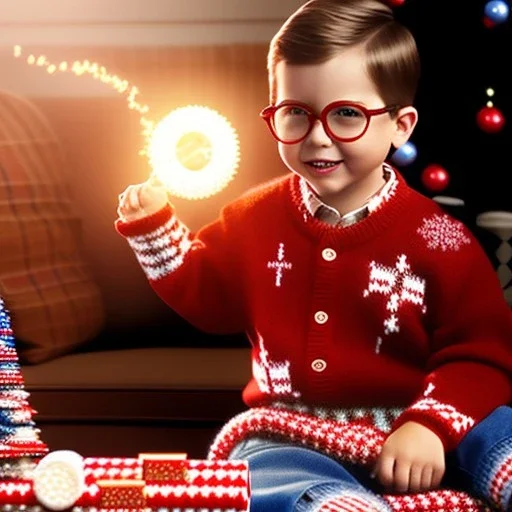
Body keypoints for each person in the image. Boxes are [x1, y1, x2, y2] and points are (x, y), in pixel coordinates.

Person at [115, 0, 512, 510]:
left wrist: (430, 426)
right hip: (294, 430)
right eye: (296, 114)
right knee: (257, 463)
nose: (318, 136)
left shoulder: (441, 241)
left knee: (496, 427)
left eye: (347, 114)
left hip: (423, 423)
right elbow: (207, 297)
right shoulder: (252, 219)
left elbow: (480, 355)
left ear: (401, 125)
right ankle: (331, 501)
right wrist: (154, 230)